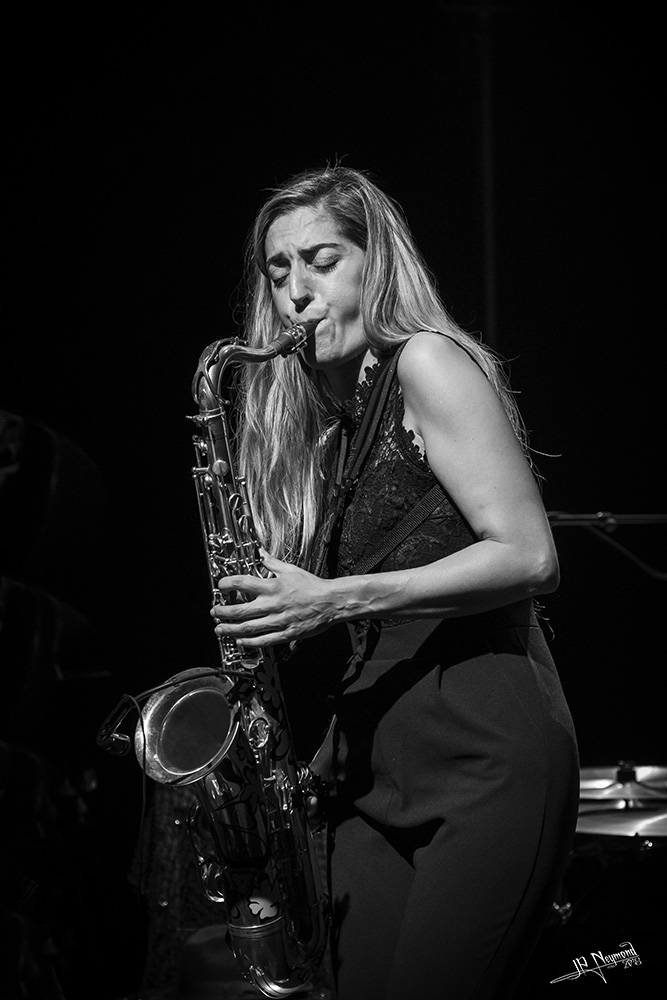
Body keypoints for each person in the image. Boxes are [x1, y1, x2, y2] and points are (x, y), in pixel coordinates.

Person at [211, 165, 579, 1000]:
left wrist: (330, 599)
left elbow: (529, 556)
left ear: (375, 265)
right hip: (371, 777)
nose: (296, 292)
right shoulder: (325, 430)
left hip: (488, 761)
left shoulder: (427, 363)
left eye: (322, 261)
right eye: (278, 270)